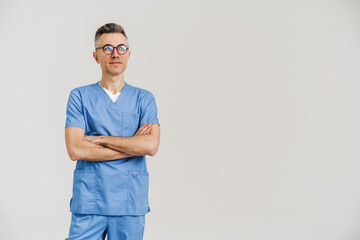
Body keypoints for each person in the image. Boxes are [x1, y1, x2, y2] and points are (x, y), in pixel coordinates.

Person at [64, 23, 160, 240]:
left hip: (129, 202)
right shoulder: (79, 96)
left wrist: (100, 140)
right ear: (96, 56)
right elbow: (76, 149)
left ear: (128, 54)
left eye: (121, 48)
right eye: (107, 48)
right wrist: (132, 145)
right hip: (90, 200)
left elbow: (150, 146)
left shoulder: (144, 99)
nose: (115, 53)